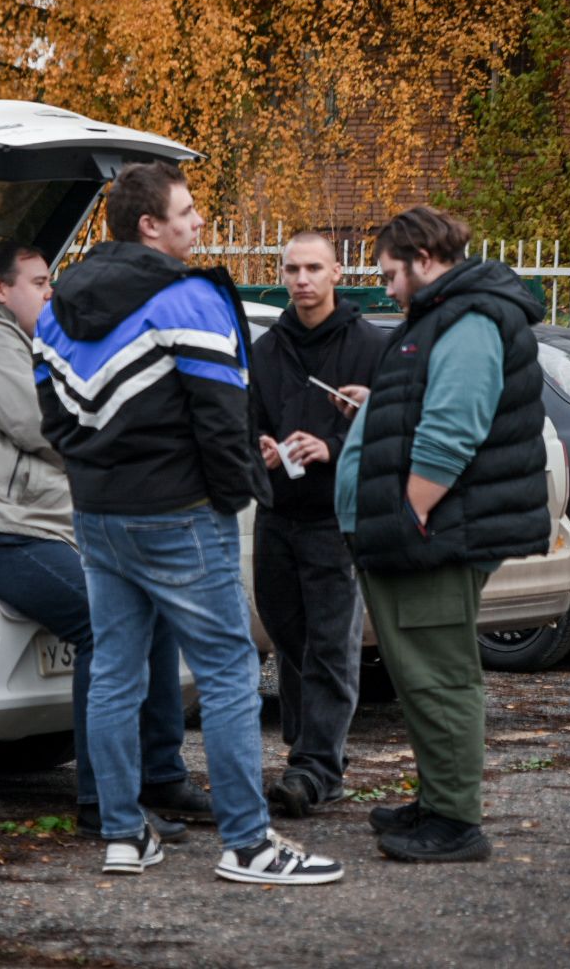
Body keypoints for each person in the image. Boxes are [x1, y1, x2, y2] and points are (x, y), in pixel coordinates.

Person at [34, 160, 343, 885]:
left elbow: (54, 422)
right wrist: (239, 488)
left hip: (99, 514)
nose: (199, 221)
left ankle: (121, 833)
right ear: (150, 225)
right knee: (231, 671)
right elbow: (220, 417)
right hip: (179, 514)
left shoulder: (55, 307)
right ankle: (246, 844)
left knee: (113, 672)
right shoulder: (187, 298)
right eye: (188, 210)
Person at [0, 240, 204, 843]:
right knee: (109, 624)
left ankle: (162, 773)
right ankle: (105, 803)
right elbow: (47, 423)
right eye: (40, 282)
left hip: (35, 521)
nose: (50, 292)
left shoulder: (18, 337)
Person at [331, 205, 550, 864]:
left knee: (438, 675)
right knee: (417, 672)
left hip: (434, 533)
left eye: (392, 273)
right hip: (425, 530)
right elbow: (430, 404)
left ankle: (456, 822)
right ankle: (437, 798)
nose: (387, 287)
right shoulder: (443, 316)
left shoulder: (469, 318)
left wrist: (410, 512)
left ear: (424, 261)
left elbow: (455, 425)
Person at [250, 232, 388, 818]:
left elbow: (390, 429)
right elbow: (247, 418)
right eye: (292, 269)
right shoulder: (268, 349)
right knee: (288, 636)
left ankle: (316, 767)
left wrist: (332, 446)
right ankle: (312, 753)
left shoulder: (367, 346)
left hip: (335, 516)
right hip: (276, 512)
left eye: (314, 268)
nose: (302, 279)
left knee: (332, 643)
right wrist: (258, 447)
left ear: (337, 272)